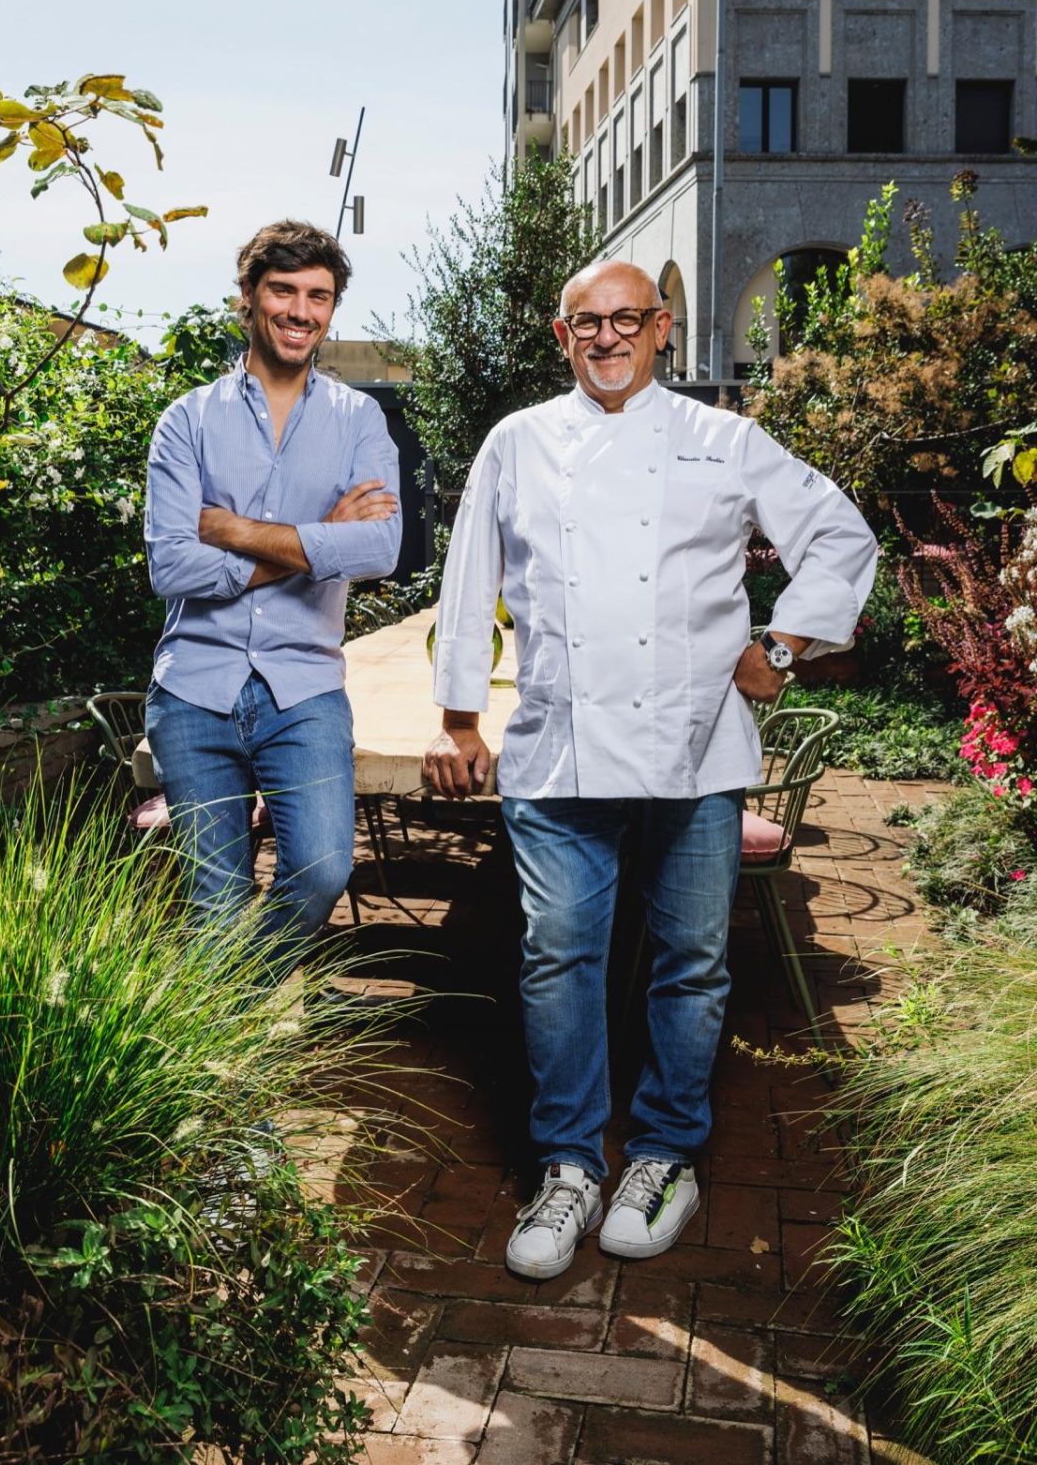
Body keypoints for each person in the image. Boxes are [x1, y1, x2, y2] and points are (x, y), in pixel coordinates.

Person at [423, 260, 876, 1280]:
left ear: (662, 328)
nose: (609, 335)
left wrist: (788, 645)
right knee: (558, 959)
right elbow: (468, 580)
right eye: (589, 320)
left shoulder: (724, 441)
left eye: (628, 318)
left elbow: (841, 535)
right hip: (560, 743)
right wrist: (459, 718)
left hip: (696, 748)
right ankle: (571, 1163)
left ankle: (666, 1152)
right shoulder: (520, 441)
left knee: (692, 962)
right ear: (562, 333)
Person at [144, 219, 402, 968]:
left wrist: (232, 529)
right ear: (248, 301)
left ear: (331, 309)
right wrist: (317, 539)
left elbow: (379, 548)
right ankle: (217, 1067)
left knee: (323, 869)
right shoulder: (186, 421)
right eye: (282, 291)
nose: (300, 310)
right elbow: (173, 567)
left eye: (317, 296)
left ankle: (225, 1009)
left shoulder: (360, 421)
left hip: (306, 686)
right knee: (214, 903)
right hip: (195, 687)